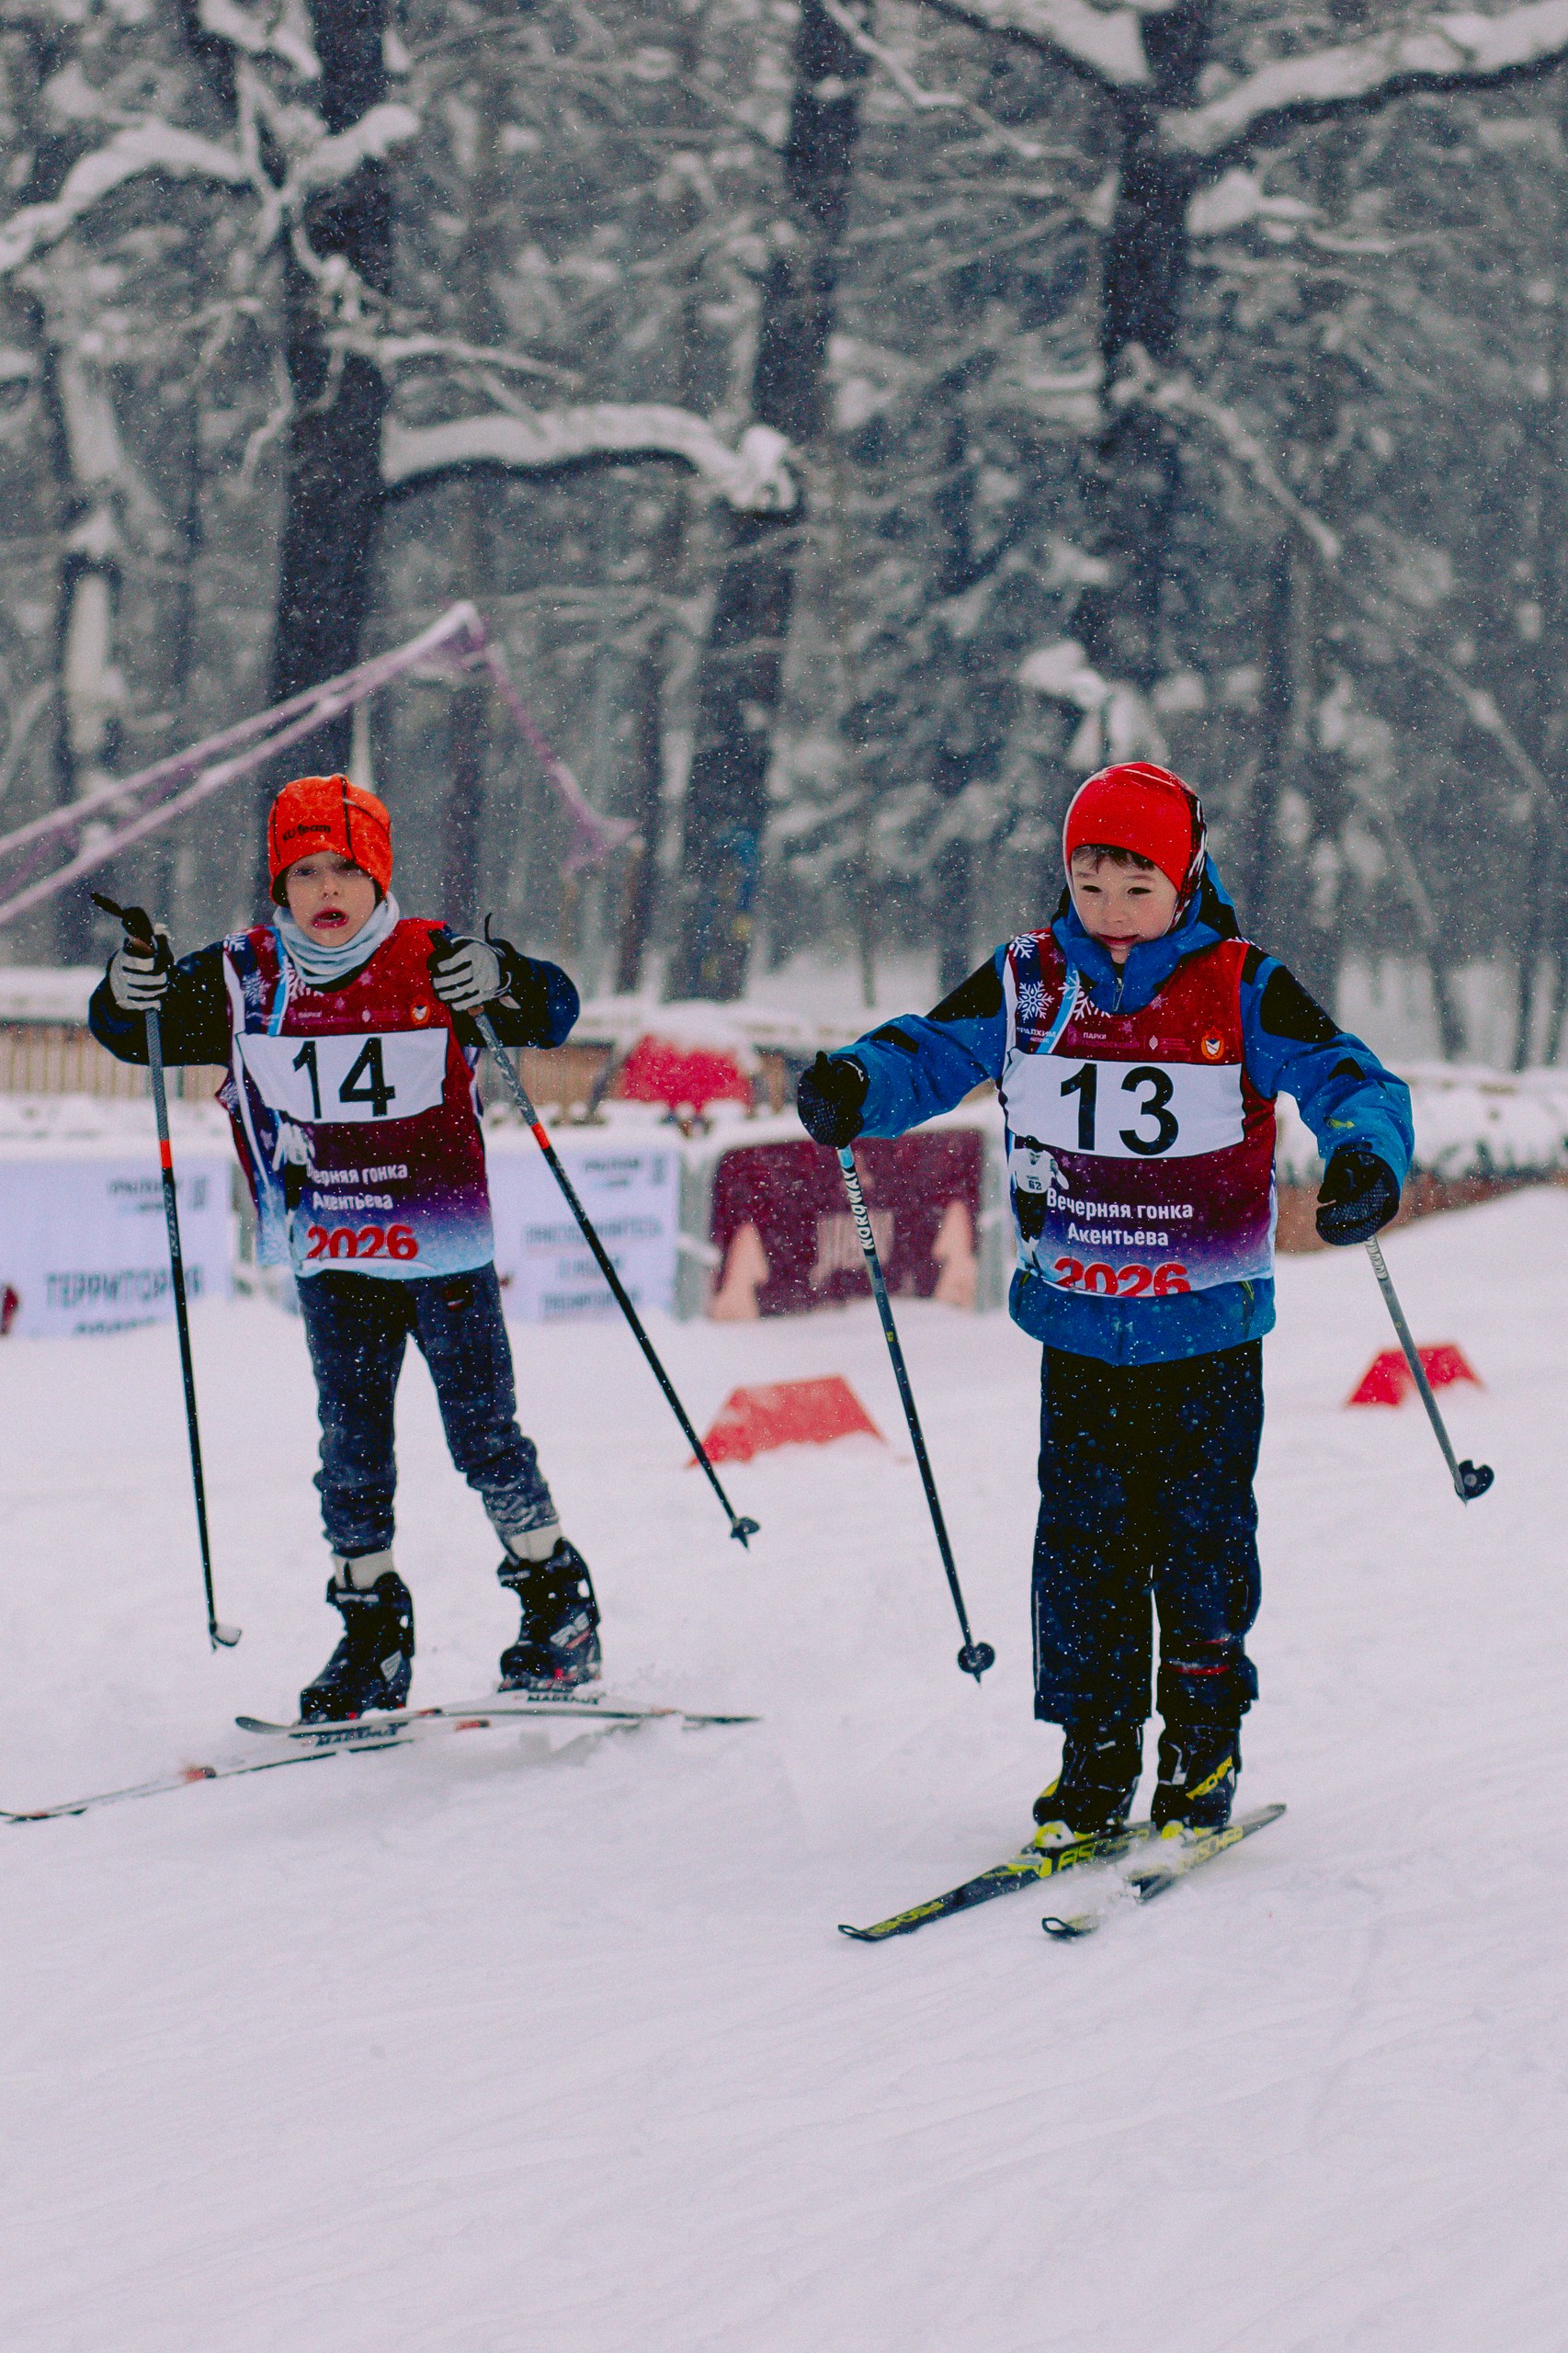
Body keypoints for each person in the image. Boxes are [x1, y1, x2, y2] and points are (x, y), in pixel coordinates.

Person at [797, 761, 1413, 1839]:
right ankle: (1092, 1751)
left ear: (1184, 879)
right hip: (1077, 1323)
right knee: (1080, 1546)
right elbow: (930, 1050)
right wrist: (856, 1082)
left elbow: (1347, 1075)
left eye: (1136, 889)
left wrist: (1364, 1155)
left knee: (1200, 1541)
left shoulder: (1242, 982)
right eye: (1089, 887)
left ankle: (1199, 1743)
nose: (1112, 915)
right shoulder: (1027, 979)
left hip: (1206, 1324)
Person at [88, 773, 601, 1721]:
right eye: (304, 872)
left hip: (441, 1251)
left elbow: (552, 1012)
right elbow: (138, 1030)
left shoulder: (436, 957)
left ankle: (555, 1602)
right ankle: (371, 1633)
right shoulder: (244, 976)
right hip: (332, 1252)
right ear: (278, 885)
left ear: (378, 876)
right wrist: (125, 994)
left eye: (346, 871)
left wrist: (507, 978)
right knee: (352, 1452)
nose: (325, 892)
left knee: (484, 1439)